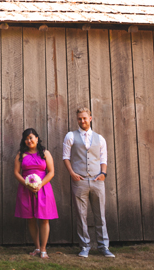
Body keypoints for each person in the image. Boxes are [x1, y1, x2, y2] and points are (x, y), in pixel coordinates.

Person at [63, 107, 115, 258]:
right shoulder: (70, 136)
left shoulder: (100, 138)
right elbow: (65, 157)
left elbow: (103, 158)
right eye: (79, 118)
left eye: (85, 118)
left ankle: (103, 246)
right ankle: (85, 246)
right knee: (81, 215)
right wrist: (72, 174)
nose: (82, 121)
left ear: (90, 118)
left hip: (97, 180)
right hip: (79, 181)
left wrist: (103, 173)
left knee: (100, 214)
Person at [14, 128, 58, 259]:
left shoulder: (45, 153)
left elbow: (51, 172)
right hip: (25, 189)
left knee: (44, 219)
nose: (29, 140)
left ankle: (44, 249)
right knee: (30, 220)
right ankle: (37, 247)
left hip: (43, 189)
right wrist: (26, 184)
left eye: (31, 137)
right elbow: (16, 172)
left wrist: (40, 184)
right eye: (26, 139)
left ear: (37, 138)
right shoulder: (20, 155)